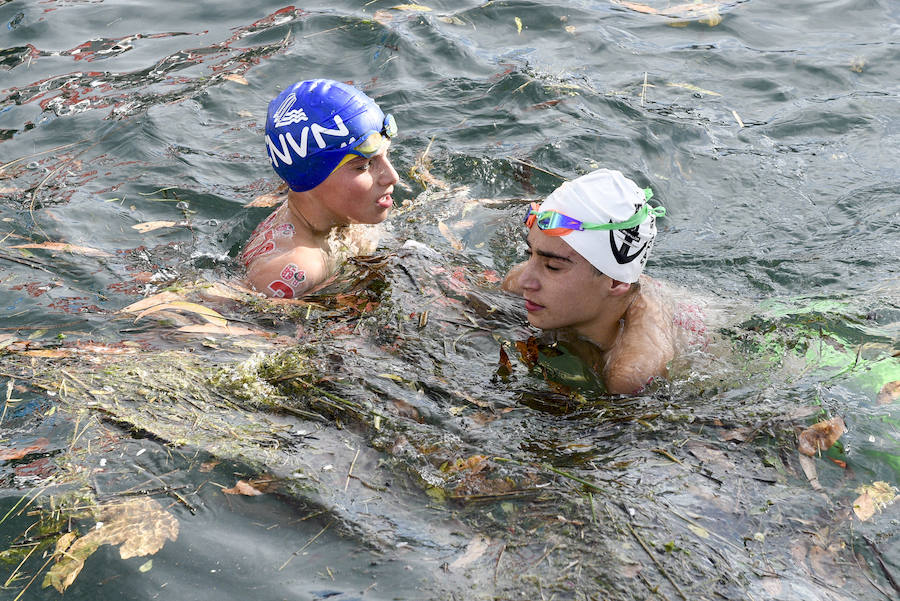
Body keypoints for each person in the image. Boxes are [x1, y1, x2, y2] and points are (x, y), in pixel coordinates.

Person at [502, 168, 686, 395]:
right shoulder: (518, 284)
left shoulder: (633, 372)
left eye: (552, 267)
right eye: (530, 254)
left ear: (616, 283)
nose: (525, 279)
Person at [242, 79, 399, 298]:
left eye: (386, 155)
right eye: (364, 165)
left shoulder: (338, 215)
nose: (393, 177)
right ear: (311, 177)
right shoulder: (296, 269)